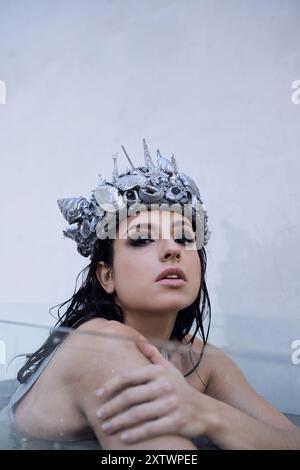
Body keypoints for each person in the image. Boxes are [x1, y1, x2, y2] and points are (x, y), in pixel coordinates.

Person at [1, 140, 299, 450]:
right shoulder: (103, 347)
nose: (172, 249)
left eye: (184, 237)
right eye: (142, 238)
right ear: (107, 275)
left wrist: (210, 413)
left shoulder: (201, 359)